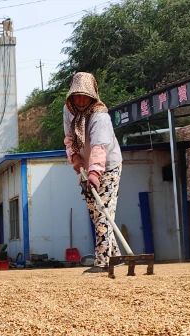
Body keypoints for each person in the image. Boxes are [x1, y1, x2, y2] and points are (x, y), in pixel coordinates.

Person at [62, 72, 123, 274]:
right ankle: (115, 256)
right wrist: (77, 162)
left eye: (84, 96)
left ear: (92, 96)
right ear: (71, 96)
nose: (80, 100)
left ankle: (103, 262)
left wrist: (95, 174)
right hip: (86, 167)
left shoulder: (100, 115)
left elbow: (99, 147)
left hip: (109, 166)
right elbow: (69, 139)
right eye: (76, 95)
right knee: (96, 212)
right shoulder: (68, 111)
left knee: (103, 209)